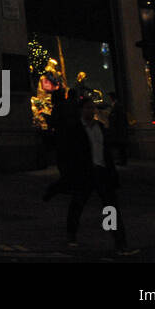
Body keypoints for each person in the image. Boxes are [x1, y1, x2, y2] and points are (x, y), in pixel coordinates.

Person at [60, 96, 130, 253]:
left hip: (102, 171)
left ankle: (118, 241)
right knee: (77, 204)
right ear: (81, 110)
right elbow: (69, 153)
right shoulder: (76, 129)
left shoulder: (100, 127)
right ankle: (71, 234)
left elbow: (105, 152)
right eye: (87, 108)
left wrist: (111, 172)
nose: (90, 111)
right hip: (85, 172)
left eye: (92, 108)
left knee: (110, 207)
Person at [107, 94, 130, 166]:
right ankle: (122, 160)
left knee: (121, 146)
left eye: (110, 97)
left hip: (119, 129)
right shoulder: (118, 106)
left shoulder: (117, 106)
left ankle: (123, 161)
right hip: (120, 129)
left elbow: (117, 118)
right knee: (121, 146)